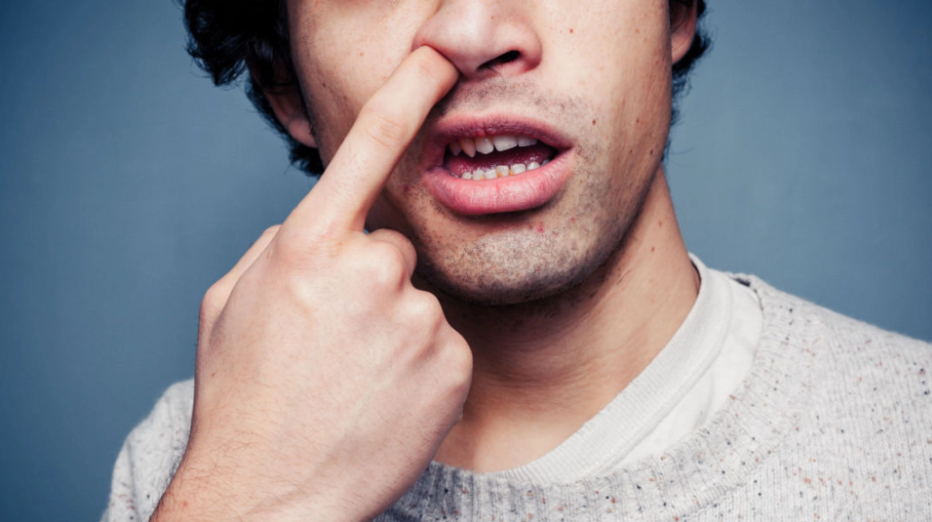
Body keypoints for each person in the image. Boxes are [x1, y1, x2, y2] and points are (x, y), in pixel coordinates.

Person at [102, 0, 932, 520]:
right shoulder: (195, 461)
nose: (473, 34)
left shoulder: (912, 440)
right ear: (286, 83)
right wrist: (249, 496)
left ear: (674, 11)